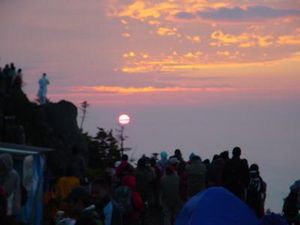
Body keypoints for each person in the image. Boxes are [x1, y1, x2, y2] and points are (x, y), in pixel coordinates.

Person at [0, 153, 21, 217]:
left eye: (1, 162)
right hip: (7, 205)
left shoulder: (12, 174)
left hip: (11, 206)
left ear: (6, 163)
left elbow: (6, 191)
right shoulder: (5, 173)